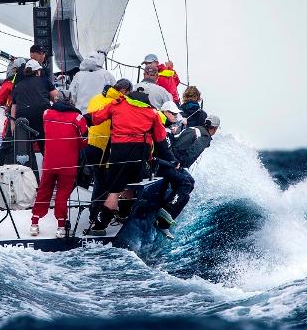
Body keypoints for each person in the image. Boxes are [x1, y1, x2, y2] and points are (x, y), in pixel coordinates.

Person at [84, 87, 176, 234]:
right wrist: (172, 160)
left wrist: (80, 120)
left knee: (114, 191)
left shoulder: (117, 104)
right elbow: (161, 140)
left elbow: (95, 118)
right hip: (140, 154)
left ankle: (100, 226)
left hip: (119, 153)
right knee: (131, 187)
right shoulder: (152, 112)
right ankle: (123, 214)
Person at [30, 91, 88, 238]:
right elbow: (84, 141)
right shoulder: (78, 118)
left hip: (50, 162)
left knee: (43, 191)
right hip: (68, 163)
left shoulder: (47, 114)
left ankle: (34, 224)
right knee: (62, 195)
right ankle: (61, 227)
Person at [156, 115, 221, 238]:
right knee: (185, 183)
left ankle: (163, 224)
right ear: (214, 128)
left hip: (168, 160)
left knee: (188, 188)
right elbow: (191, 153)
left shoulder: (194, 128)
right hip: (170, 164)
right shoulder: (204, 136)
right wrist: (179, 163)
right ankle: (166, 209)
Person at [85, 78, 133, 224]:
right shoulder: (118, 103)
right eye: (129, 93)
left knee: (99, 181)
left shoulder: (96, 98)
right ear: (124, 91)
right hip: (106, 149)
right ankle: (96, 216)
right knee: (104, 184)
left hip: (91, 145)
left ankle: (96, 212)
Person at [11, 59, 58, 153]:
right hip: (42, 115)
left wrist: (13, 125)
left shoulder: (18, 86)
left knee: (23, 150)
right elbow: (56, 98)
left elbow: (14, 107)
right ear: (38, 71)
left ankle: (28, 166)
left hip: (23, 118)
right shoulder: (44, 81)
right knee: (45, 147)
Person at [0, 58, 26, 170]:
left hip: (13, 117)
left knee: (6, 144)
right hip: (29, 115)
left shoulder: (9, 83)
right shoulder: (32, 79)